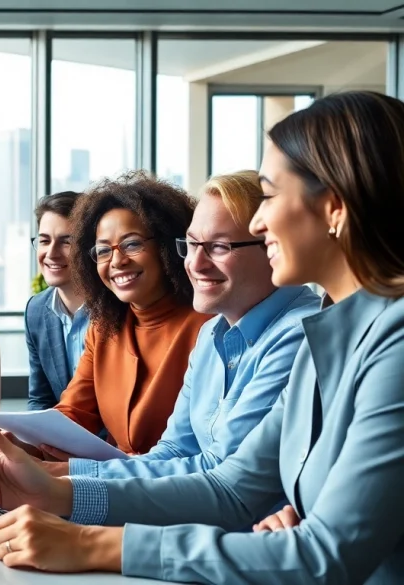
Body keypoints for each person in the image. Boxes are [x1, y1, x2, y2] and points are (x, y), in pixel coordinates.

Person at [0, 90, 404, 583]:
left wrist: (95, 543)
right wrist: (57, 493)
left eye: (270, 195)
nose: (260, 221)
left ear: (334, 208)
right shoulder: (329, 333)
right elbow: (233, 488)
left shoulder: (391, 343)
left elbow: (327, 555)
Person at [51, 171, 320, 479]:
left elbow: (223, 475)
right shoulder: (213, 333)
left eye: (219, 246)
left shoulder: (299, 334)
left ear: (273, 245)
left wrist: (66, 485)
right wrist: (52, 474)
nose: (195, 263)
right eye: (191, 245)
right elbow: (175, 450)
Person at [0, 171, 211, 457]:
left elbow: (205, 447)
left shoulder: (207, 326)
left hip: (176, 488)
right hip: (113, 483)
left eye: (132, 244)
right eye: (103, 250)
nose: (117, 261)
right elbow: (71, 415)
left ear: (166, 246)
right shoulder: (105, 326)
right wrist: (11, 443)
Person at [25, 191, 90, 411]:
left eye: (66, 242)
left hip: (115, 443)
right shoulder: (35, 311)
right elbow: (41, 400)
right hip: (59, 441)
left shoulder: (118, 307)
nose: (51, 253)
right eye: (44, 241)